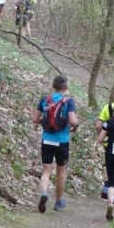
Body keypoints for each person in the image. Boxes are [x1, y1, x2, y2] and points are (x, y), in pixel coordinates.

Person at [31, 75, 78, 213]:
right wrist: (74, 126)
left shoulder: (45, 99)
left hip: (46, 140)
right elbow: (73, 121)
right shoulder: (69, 101)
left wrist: (44, 121)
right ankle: (58, 201)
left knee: (46, 170)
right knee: (61, 171)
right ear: (66, 87)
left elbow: (35, 119)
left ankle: (44, 192)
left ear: (53, 86)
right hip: (62, 141)